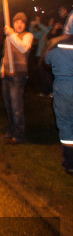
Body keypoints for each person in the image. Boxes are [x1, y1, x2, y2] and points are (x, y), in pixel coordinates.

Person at [0, 12, 33, 144]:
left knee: (16, 107)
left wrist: (11, 34)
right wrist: (2, 69)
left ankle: (19, 135)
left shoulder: (27, 36)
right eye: (17, 22)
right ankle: (11, 131)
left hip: (18, 77)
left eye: (22, 22)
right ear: (13, 23)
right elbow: (5, 54)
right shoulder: (9, 37)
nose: (19, 24)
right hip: (7, 75)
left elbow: (23, 48)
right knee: (8, 106)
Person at [43, 13, 73, 174]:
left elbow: (46, 60)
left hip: (64, 89)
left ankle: (69, 162)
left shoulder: (57, 45)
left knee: (66, 124)